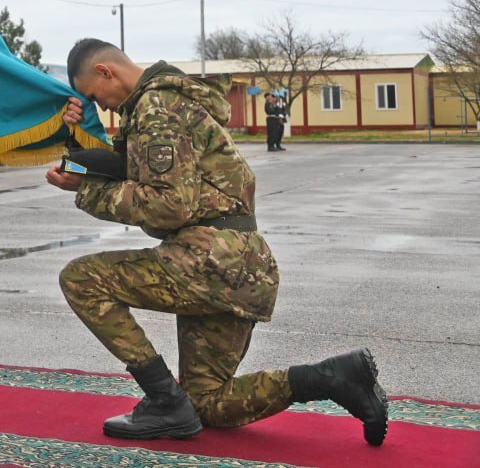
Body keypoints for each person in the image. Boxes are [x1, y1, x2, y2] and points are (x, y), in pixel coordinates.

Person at [45, 39, 387, 446]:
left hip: (210, 259)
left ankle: (161, 398)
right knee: (208, 404)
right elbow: (126, 167)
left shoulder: (157, 107)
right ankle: (333, 377)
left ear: (105, 71)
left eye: (93, 95)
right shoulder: (161, 104)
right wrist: (75, 144)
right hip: (239, 265)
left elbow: (168, 206)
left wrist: (87, 193)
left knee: (82, 279)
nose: (99, 106)